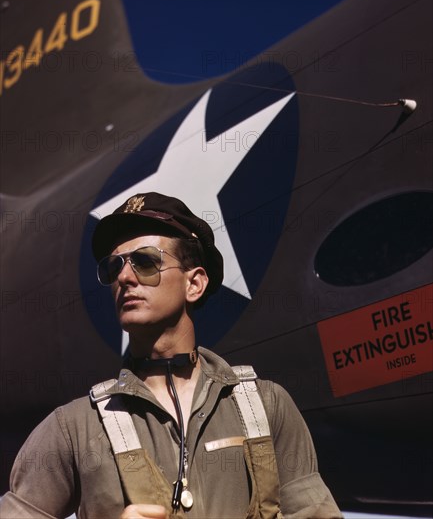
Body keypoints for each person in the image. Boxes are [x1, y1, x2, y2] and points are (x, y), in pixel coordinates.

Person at [0, 192, 343, 519]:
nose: (124, 276)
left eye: (145, 262)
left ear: (194, 284)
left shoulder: (268, 407)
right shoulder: (73, 428)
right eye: (113, 267)